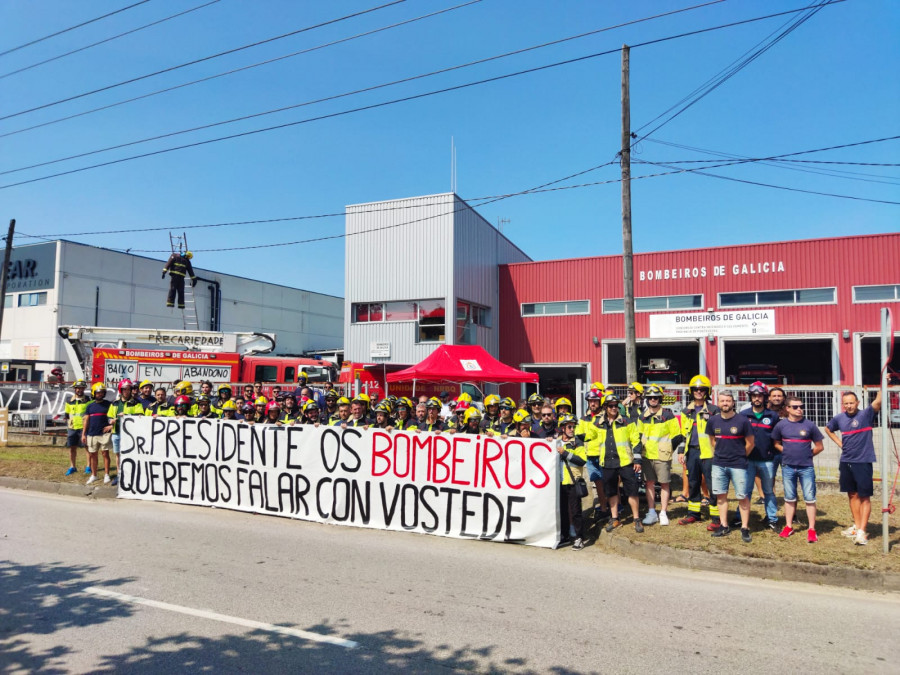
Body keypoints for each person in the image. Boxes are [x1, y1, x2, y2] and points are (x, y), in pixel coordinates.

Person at [825, 391, 881, 546]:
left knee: (864, 496)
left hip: (863, 461)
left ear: (857, 402)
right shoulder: (839, 418)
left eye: (851, 403)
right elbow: (828, 429)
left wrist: (883, 383)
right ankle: (856, 526)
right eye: (846, 403)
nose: (849, 406)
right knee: (852, 494)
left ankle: (863, 531)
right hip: (846, 460)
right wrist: (839, 443)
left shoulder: (866, 415)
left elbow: (877, 401)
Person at [583, 394, 643, 533]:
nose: (614, 408)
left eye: (616, 405)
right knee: (610, 492)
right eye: (611, 406)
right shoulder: (599, 423)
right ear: (605, 408)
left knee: (632, 491)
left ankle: (636, 519)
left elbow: (636, 441)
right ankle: (615, 518)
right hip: (607, 463)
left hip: (625, 462)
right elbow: (587, 435)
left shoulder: (627, 422)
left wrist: (638, 460)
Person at [773, 396, 825, 542]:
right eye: (795, 407)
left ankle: (812, 529)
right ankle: (788, 526)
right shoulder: (781, 426)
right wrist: (787, 451)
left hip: (806, 468)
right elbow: (776, 443)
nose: (799, 409)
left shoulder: (810, 425)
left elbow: (820, 446)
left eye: (801, 406)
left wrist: (807, 455)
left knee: (809, 498)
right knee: (789, 498)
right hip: (788, 467)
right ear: (787, 409)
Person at [706, 391, 755, 542]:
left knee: (742, 497)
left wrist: (740, 456)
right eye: (722, 401)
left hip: (738, 465)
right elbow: (712, 441)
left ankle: (745, 528)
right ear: (718, 403)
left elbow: (750, 443)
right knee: (721, 496)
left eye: (728, 401)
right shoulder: (713, 421)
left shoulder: (743, 421)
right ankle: (724, 525)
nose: (725, 403)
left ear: (733, 403)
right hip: (719, 465)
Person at [734, 381, 779, 531]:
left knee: (768, 491)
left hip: (767, 460)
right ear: (750, 397)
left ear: (765, 397)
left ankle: (772, 518)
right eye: (754, 395)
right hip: (747, 460)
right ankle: (740, 517)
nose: (757, 398)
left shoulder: (773, 416)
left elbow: (777, 438)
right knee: (745, 491)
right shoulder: (743, 415)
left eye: (759, 395)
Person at [678, 375, 721, 529]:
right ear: (691, 391)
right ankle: (693, 514)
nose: (698, 391)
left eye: (702, 389)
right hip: (692, 452)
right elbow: (684, 434)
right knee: (693, 482)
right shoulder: (686, 411)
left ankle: (716, 516)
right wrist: (682, 452)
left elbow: (718, 432)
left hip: (709, 453)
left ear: (706, 391)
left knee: (712, 483)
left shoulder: (713, 410)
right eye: (695, 389)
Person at [638, 384, 683, 526]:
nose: (653, 399)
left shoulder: (668, 415)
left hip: (662, 456)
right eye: (650, 397)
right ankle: (651, 512)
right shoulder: (642, 416)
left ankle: (663, 512)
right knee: (649, 483)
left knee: (664, 484)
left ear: (660, 399)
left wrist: (668, 449)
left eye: (656, 397)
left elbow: (677, 436)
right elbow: (638, 436)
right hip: (646, 456)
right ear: (647, 399)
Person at [575, 387, 608, 519]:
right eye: (590, 401)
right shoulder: (584, 418)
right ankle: (604, 509)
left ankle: (614, 508)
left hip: (604, 455)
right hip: (590, 456)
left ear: (600, 402)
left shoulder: (606, 417)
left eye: (595, 401)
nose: (592, 403)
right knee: (598, 484)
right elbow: (579, 434)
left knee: (609, 483)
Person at [557, 413, 587, 550]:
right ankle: (565, 536)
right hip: (560, 482)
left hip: (573, 481)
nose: (572, 429)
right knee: (562, 511)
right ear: (562, 428)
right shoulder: (555, 441)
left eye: (573, 426)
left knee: (576, 511)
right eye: (569, 426)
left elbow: (582, 460)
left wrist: (565, 453)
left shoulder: (577, 442)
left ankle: (579, 537)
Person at [107, 379, 144, 485]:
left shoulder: (136, 403)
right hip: (117, 432)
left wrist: (127, 416)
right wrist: (110, 420)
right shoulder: (115, 403)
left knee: (130, 454)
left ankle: (130, 475)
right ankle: (119, 475)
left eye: (128, 389)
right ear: (121, 390)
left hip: (130, 434)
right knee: (118, 454)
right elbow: (109, 415)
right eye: (124, 389)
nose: (127, 392)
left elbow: (140, 415)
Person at [82, 383, 113, 485]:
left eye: (102, 392)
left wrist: (111, 427)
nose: (100, 394)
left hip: (104, 434)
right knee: (92, 454)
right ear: (94, 393)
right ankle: (94, 475)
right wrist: (83, 434)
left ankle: (107, 475)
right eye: (98, 392)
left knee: (105, 453)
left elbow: (113, 418)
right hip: (92, 434)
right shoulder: (90, 406)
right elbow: (86, 420)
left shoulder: (109, 404)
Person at [64, 380, 90, 476]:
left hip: (84, 428)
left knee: (87, 448)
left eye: (81, 388)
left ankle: (88, 466)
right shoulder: (69, 400)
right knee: (72, 448)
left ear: (84, 389)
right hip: (72, 427)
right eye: (78, 388)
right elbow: (67, 414)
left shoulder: (88, 400)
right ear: (75, 389)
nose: (79, 390)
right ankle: (72, 467)